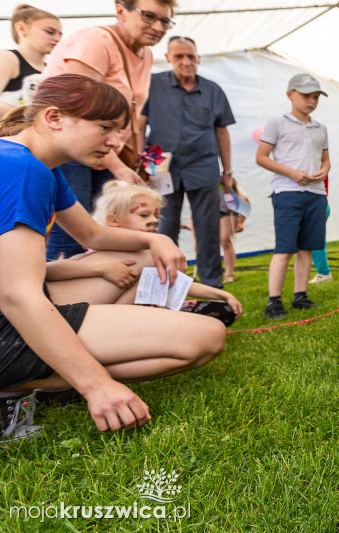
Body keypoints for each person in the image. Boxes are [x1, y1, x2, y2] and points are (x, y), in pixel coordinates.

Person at [0, 76, 225, 442]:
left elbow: (92, 235)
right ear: (54, 117)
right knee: (207, 336)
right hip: (10, 320)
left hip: (15, 309)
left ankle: (45, 374)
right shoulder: (20, 168)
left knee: (140, 260)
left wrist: (157, 238)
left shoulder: (35, 165)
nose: (114, 141)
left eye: (119, 131)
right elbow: (17, 296)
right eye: (105, 128)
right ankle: (21, 385)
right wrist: (96, 385)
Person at [42, 0, 178, 260]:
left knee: (107, 228)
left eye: (165, 21)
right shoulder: (96, 41)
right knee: (72, 233)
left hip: (104, 152)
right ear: (121, 11)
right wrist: (116, 166)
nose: (158, 26)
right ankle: (58, 299)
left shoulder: (147, 54)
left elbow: (135, 113)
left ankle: (94, 295)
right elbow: (77, 108)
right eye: (149, 16)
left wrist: (134, 161)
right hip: (71, 151)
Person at [50, 181, 243, 324]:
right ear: (113, 221)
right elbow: (53, 269)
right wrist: (102, 269)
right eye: (143, 215)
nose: (154, 221)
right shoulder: (100, 252)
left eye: (156, 216)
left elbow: (175, 282)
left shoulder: (147, 253)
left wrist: (220, 295)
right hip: (98, 317)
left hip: (128, 311)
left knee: (220, 312)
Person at [141, 36, 235, 288]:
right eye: (179, 56)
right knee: (164, 224)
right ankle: (165, 283)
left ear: (198, 59)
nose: (186, 61)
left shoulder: (213, 90)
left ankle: (211, 285)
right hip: (159, 166)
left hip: (203, 166)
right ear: (168, 58)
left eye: (191, 56)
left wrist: (227, 171)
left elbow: (222, 132)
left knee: (207, 227)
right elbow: (139, 125)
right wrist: (141, 164)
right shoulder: (152, 84)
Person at [255, 74, 330, 318]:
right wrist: (292, 173)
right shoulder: (277, 122)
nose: (311, 101)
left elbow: (326, 160)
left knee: (307, 248)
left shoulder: (321, 128)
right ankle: (273, 301)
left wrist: (324, 170)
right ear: (290, 95)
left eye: (316, 96)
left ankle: (301, 296)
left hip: (316, 194)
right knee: (285, 248)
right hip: (287, 193)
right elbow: (262, 157)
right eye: (306, 95)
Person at [0, 5, 62, 116]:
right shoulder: (8, 58)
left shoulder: (52, 69)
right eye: (50, 32)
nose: (57, 39)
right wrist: (31, 116)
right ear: (21, 28)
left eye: (60, 34)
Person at [219, 181, 250, 284]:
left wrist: (241, 222)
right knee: (215, 241)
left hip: (229, 212)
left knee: (224, 240)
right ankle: (215, 274)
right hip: (213, 211)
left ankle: (229, 275)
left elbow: (246, 202)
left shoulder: (228, 182)